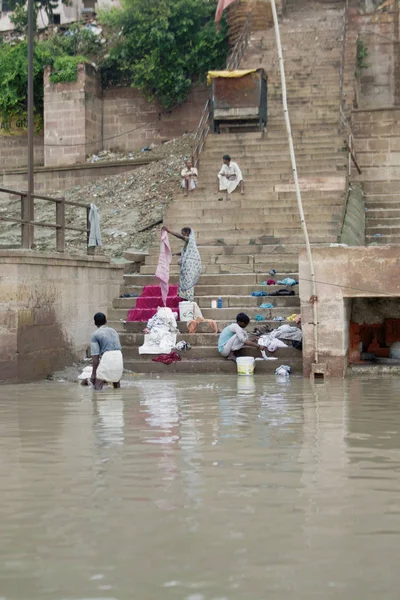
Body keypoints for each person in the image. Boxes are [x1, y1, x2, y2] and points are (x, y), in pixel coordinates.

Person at [162, 226, 202, 302]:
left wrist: (169, 231)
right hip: (186, 266)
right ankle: (185, 297)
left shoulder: (189, 239)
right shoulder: (189, 243)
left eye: (183, 233)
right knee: (185, 280)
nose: (182, 234)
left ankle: (189, 298)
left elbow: (180, 237)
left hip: (189, 266)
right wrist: (174, 254)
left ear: (187, 233)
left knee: (188, 281)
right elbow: (184, 252)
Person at [90, 312, 123, 390]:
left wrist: (94, 374)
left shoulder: (95, 335)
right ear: (106, 321)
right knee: (116, 381)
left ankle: (96, 400)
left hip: (107, 356)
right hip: (119, 356)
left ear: (95, 323)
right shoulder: (114, 331)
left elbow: (95, 359)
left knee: (97, 386)